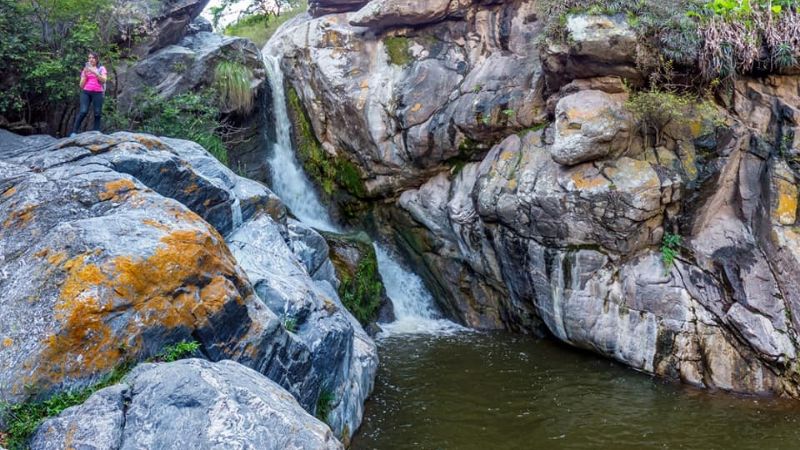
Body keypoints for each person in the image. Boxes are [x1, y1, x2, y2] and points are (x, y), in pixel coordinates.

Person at [70, 52, 107, 136]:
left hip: (98, 92)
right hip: (86, 92)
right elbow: (81, 85)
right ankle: (74, 132)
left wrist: (94, 72)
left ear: (97, 59)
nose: (91, 59)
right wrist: (86, 74)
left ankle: (96, 132)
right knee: (83, 111)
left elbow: (104, 80)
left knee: (97, 113)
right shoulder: (85, 69)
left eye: (93, 58)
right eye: (89, 58)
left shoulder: (101, 68)